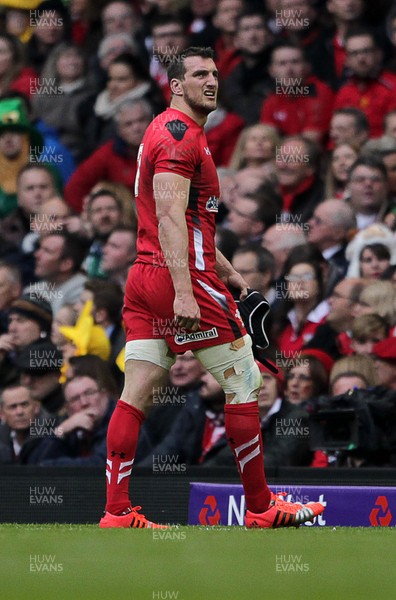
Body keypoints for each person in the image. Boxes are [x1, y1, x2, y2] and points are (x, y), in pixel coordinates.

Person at [99, 47, 325, 530]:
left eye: (215, 74)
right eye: (199, 74)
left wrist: (227, 271)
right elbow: (168, 217)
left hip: (145, 275)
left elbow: (186, 219)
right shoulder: (181, 138)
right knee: (244, 380)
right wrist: (185, 290)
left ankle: (116, 510)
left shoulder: (166, 129)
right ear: (175, 84)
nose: (211, 81)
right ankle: (262, 508)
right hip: (177, 277)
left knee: (137, 388)